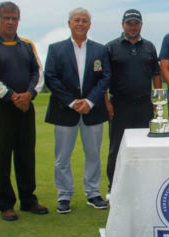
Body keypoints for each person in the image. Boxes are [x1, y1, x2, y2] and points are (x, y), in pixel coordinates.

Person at [44, 7, 111, 214]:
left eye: (84, 20)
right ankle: (64, 195)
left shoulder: (100, 50)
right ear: (69, 23)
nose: (80, 23)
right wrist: (72, 102)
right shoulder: (56, 49)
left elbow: (106, 77)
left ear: (89, 25)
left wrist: (89, 101)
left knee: (93, 155)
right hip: (65, 110)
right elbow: (51, 78)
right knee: (62, 157)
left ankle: (92, 193)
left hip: (93, 110)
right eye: (76, 20)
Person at [0, 1, 48, 221]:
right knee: (0, 157)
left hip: (25, 108)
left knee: (26, 155)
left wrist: (29, 95)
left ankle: (28, 199)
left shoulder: (27, 45)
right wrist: (12, 96)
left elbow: (38, 72)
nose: (10, 22)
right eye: (6, 18)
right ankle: (5, 204)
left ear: (18, 20)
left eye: (14, 18)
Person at [105, 9, 162, 198]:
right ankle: (113, 187)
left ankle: (144, 186)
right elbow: (104, 78)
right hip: (120, 105)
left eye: (136, 23)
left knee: (145, 147)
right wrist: (107, 103)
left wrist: (158, 100)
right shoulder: (111, 47)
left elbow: (156, 74)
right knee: (116, 148)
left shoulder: (149, 47)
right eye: (129, 23)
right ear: (123, 24)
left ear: (141, 25)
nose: (133, 27)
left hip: (145, 105)